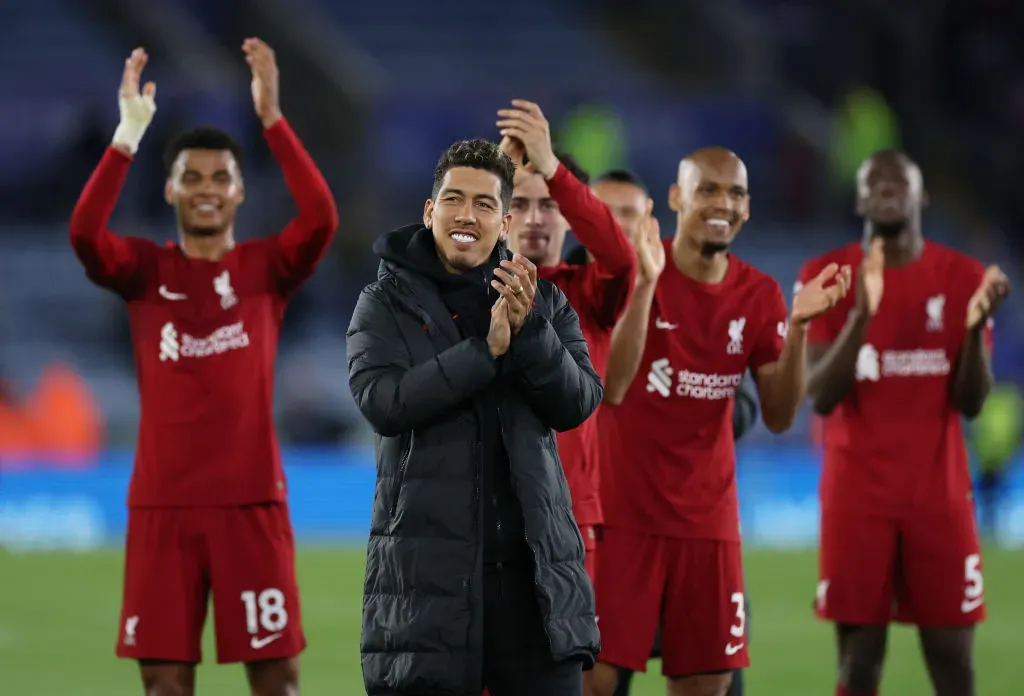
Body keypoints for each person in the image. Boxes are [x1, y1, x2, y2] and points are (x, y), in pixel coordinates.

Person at [68, 41, 338, 696]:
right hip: (163, 505)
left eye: (221, 178)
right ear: (169, 189)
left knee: (277, 682)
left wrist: (272, 118)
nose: (207, 189)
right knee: (164, 684)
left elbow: (322, 218)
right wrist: (127, 135)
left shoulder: (265, 270)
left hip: (251, 504)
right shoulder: (145, 271)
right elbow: (84, 234)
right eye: (193, 176)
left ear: (241, 192)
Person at [590, 147, 850, 696]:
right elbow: (610, 383)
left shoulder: (759, 295)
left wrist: (799, 329)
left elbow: (779, 416)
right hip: (619, 520)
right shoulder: (638, 273)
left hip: (706, 529)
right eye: (708, 189)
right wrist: (642, 287)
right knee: (596, 682)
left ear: (748, 208)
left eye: (735, 194)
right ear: (678, 197)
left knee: (708, 685)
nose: (722, 204)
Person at [346, 138, 602, 696]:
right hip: (427, 585)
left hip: (535, 587)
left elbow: (579, 402)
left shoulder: (544, 301)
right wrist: (483, 353)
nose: (467, 215)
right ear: (428, 210)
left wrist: (529, 332)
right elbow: (381, 401)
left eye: (485, 204)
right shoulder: (383, 303)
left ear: (505, 221)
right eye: (454, 199)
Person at [799, 149, 1010, 696]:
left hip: (939, 500)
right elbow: (819, 396)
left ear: (924, 195)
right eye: (875, 181)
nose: (888, 189)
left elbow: (972, 402)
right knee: (859, 663)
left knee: (953, 663)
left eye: (901, 180)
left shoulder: (964, 277)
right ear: (858, 197)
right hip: (856, 502)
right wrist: (864, 313)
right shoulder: (826, 274)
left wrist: (973, 331)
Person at [593, 169, 756, 696]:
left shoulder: (689, 285)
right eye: (602, 215)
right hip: (607, 531)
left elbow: (743, 405)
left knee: (715, 682)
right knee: (596, 681)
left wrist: (674, 402)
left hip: (692, 529)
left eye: (627, 215)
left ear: (649, 220)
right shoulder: (564, 295)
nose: (616, 227)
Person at [496, 99, 637, 586]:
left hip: (570, 512)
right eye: (518, 203)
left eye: (549, 204)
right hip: (486, 508)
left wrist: (553, 167)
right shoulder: (473, 287)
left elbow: (621, 258)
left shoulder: (591, 293)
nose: (535, 218)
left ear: (571, 213)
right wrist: (495, 173)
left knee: (566, 661)